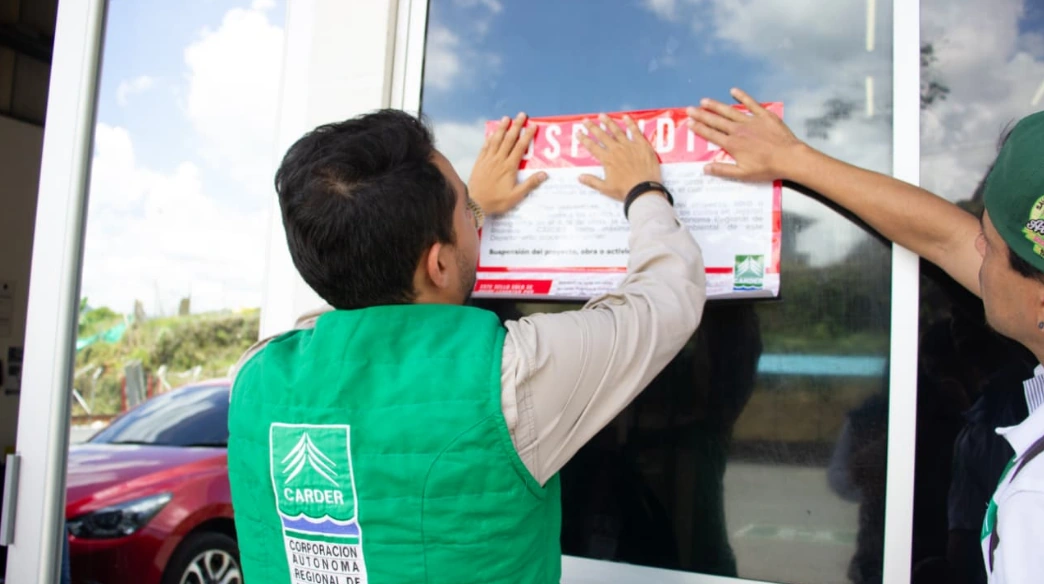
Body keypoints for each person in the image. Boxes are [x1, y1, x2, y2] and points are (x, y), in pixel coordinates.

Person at [226, 109, 706, 583]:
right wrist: (645, 190)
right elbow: (664, 301)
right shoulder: (510, 378)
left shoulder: (252, 376)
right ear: (436, 264)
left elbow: (360, 282)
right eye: (464, 205)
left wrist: (452, 215)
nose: (473, 216)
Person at [687, 88, 1044, 584]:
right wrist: (793, 160)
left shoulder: (1037, 503)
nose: (973, 246)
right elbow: (943, 236)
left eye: (989, 243)